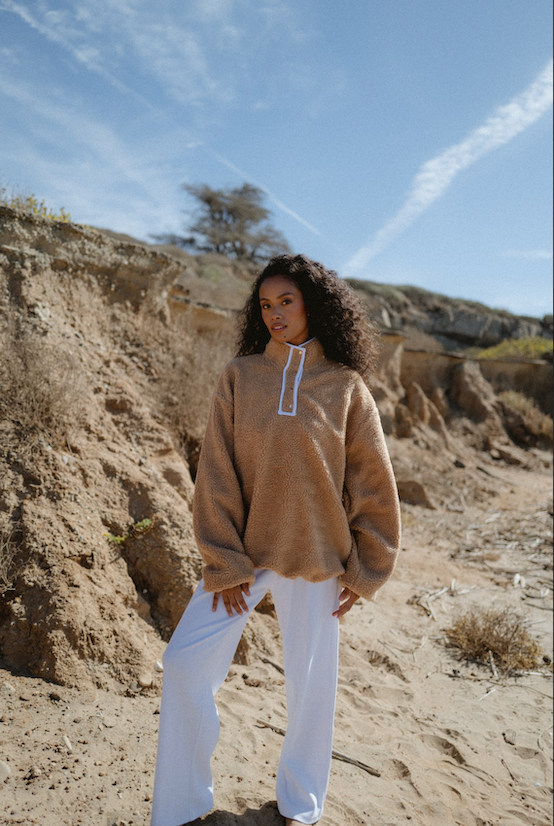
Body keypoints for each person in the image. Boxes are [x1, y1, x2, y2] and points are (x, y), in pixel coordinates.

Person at [150, 254, 401, 826]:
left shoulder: (345, 387)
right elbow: (215, 471)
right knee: (185, 665)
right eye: (265, 304)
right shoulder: (241, 376)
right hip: (244, 552)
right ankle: (182, 808)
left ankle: (300, 805)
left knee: (311, 689)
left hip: (318, 555)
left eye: (286, 301)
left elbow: (373, 484)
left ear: (316, 303)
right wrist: (225, 560)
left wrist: (366, 571)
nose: (274, 313)